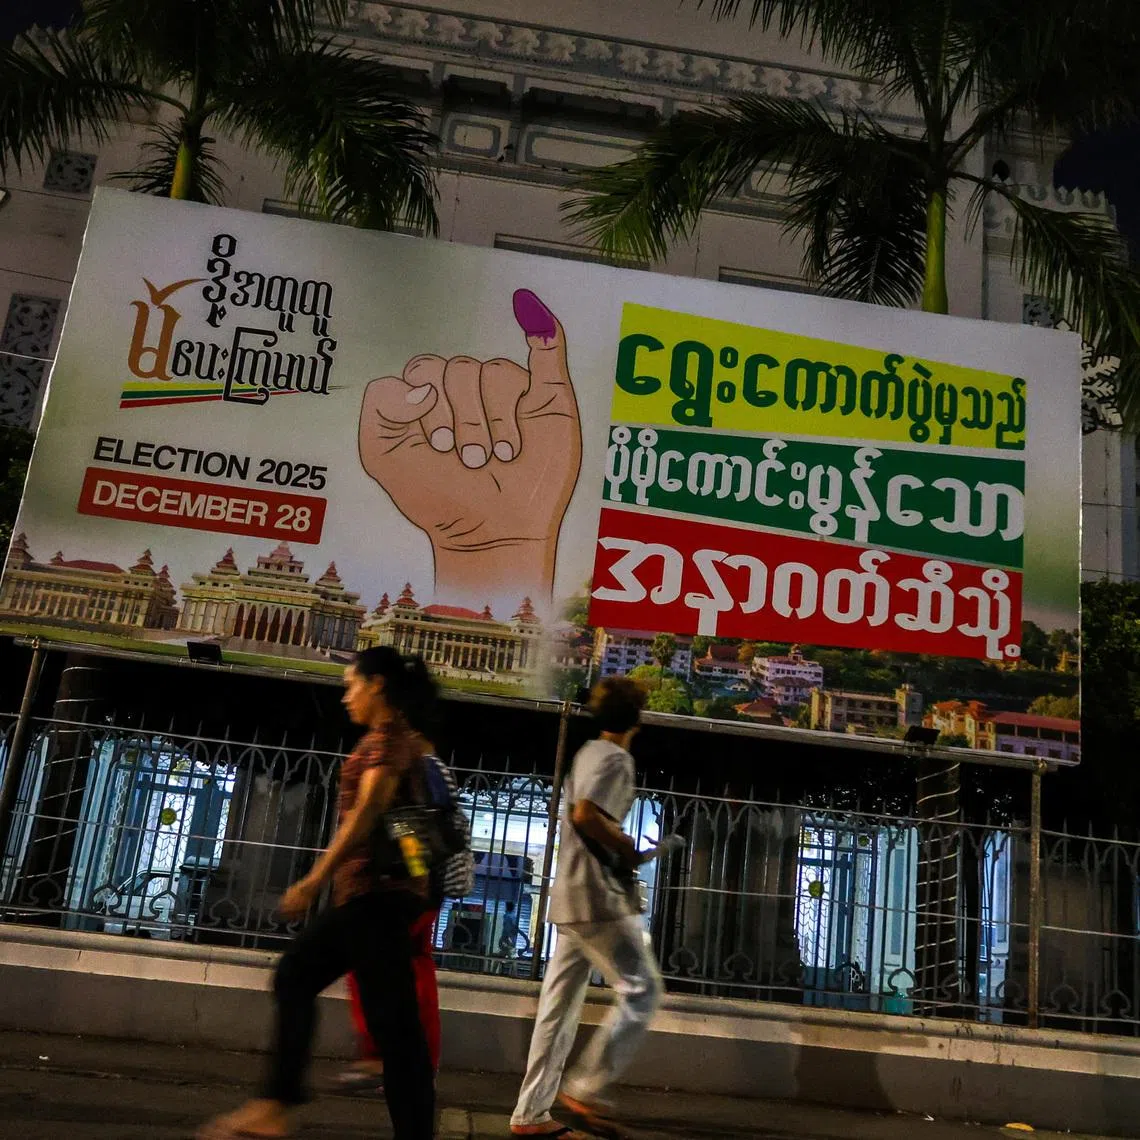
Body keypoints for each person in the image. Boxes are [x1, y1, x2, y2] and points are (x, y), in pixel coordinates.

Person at [197, 647, 438, 1140]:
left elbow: (367, 813)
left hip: (375, 895)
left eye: (352, 685)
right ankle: (280, 1105)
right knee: (390, 1027)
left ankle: (276, 1106)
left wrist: (313, 880)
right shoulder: (400, 739)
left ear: (377, 686)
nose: (346, 696)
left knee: (303, 979)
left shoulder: (388, 741)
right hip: (380, 898)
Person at [510, 677, 663, 1140]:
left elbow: (580, 813)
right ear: (636, 719)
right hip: (596, 898)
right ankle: (585, 1088)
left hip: (569, 897)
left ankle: (531, 1113)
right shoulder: (617, 758)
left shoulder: (587, 752)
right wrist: (626, 846)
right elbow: (584, 814)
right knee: (643, 990)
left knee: (557, 1011)